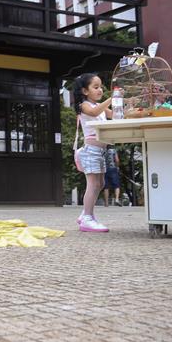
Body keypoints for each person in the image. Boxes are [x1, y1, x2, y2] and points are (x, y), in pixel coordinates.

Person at [73, 73, 112, 232]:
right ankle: (87, 218)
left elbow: (114, 114)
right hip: (91, 151)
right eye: (95, 87)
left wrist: (124, 102)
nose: (100, 90)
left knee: (100, 183)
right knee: (93, 184)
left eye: (101, 86)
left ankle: (85, 214)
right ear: (85, 91)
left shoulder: (99, 106)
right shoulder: (84, 106)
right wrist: (112, 99)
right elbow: (94, 113)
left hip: (100, 151)